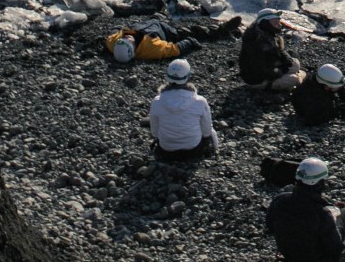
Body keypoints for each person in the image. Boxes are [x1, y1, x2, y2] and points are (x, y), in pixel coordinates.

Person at [264, 157, 345, 262]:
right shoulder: (322, 214)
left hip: (287, 255)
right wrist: (333, 218)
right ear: (320, 183)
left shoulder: (280, 200)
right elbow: (336, 247)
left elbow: (270, 226)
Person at [148, 59, 219, 162]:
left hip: (166, 150)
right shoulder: (200, 101)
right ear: (188, 77)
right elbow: (206, 132)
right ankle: (214, 152)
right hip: (193, 149)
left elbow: (154, 132)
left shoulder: (157, 102)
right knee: (211, 131)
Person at [104, 13, 240, 65]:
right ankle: (221, 30)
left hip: (142, 25)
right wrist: (190, 42)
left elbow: (112, 33)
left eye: (123, 39)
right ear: (132, 49)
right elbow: (175, 49)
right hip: (162, 32)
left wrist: (117, 28)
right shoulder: (153, 49)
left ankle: (161, 13)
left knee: (154, 18)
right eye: (128, 41)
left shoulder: (114, 43)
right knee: (187, 32)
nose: (127, 37)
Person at [239, 8, 306, 91]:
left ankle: (289, 77)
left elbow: (279, 50)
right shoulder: (255, 42)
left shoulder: (269, 33)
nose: (279, 25)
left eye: (278, 21)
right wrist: (280, 71)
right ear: (265, 23)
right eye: (275, 22)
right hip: (257, 79)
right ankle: (267, 86)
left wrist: (287, 60)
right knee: (296, 79)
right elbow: (259, 70)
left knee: (295, 64)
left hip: (270, 64)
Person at [291, 62, 345, 127]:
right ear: (326, 87)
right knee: (344, 107)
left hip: (323, 96)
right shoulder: (321, 101)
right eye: (337, 86)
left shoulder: (318, 78)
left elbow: (341, 90)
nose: (340, 87)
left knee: (342, 89)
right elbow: (314, 120)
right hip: (311, 110)